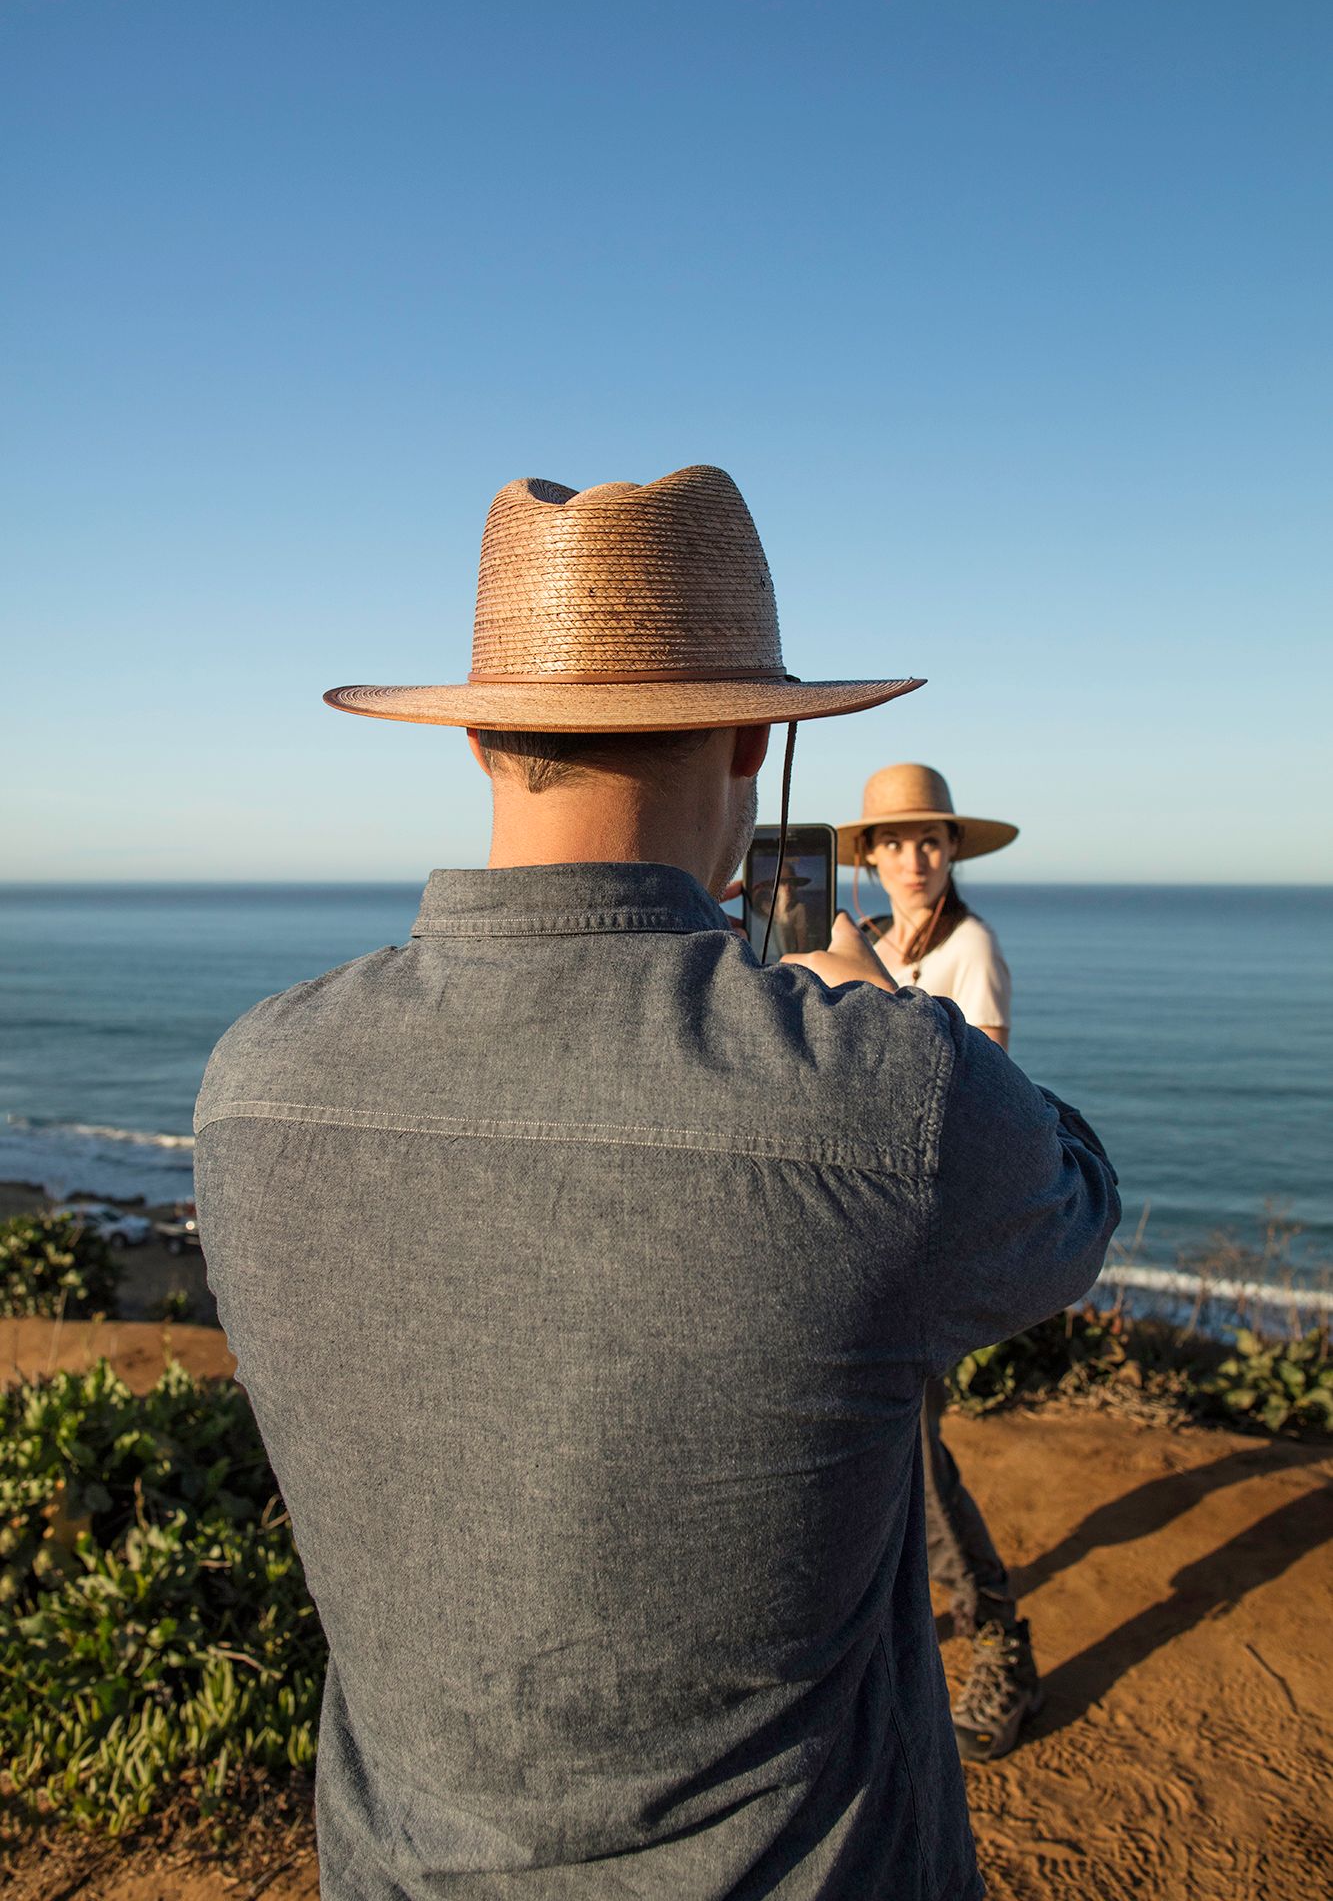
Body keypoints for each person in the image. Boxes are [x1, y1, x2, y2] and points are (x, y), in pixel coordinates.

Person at [195, 466, 1119, 1900]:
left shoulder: (252, 1083)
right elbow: (1070, 1201)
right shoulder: (883, 1093)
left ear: (479, 739)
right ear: (754, 737)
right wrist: (872, 1004)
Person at [837, 764, 1033, 1761]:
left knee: (911, 1454)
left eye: (933, 839)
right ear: (866, 857)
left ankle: (999, 1637)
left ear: (952, 851)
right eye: (896, 841)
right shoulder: (859, 941)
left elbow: (985, 1098)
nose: (916, 857)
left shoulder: (971, 950)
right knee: (868, 1448)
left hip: (924, 1236)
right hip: (848, 1228)